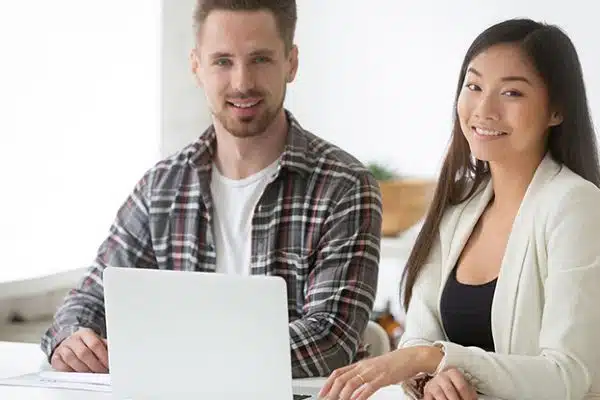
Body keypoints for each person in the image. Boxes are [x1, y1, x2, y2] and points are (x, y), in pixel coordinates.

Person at [41, 0, 382, 379]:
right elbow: (89, 300)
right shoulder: (162, 188)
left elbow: (330, 341)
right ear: (196, 67)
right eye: (223, 61)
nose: (241, 83)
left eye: (261, 59)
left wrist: (181, 358)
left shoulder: (345, 186)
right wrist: (71, 340)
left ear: (291, 63)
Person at [319, 18, 600, 400]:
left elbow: (568, 375)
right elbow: (420, 335)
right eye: (474, 86)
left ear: (557, 111)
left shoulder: (576, 206)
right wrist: (429, 380)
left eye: (512, 93)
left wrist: (430, 359)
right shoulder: (458, 211)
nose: (484, 108)